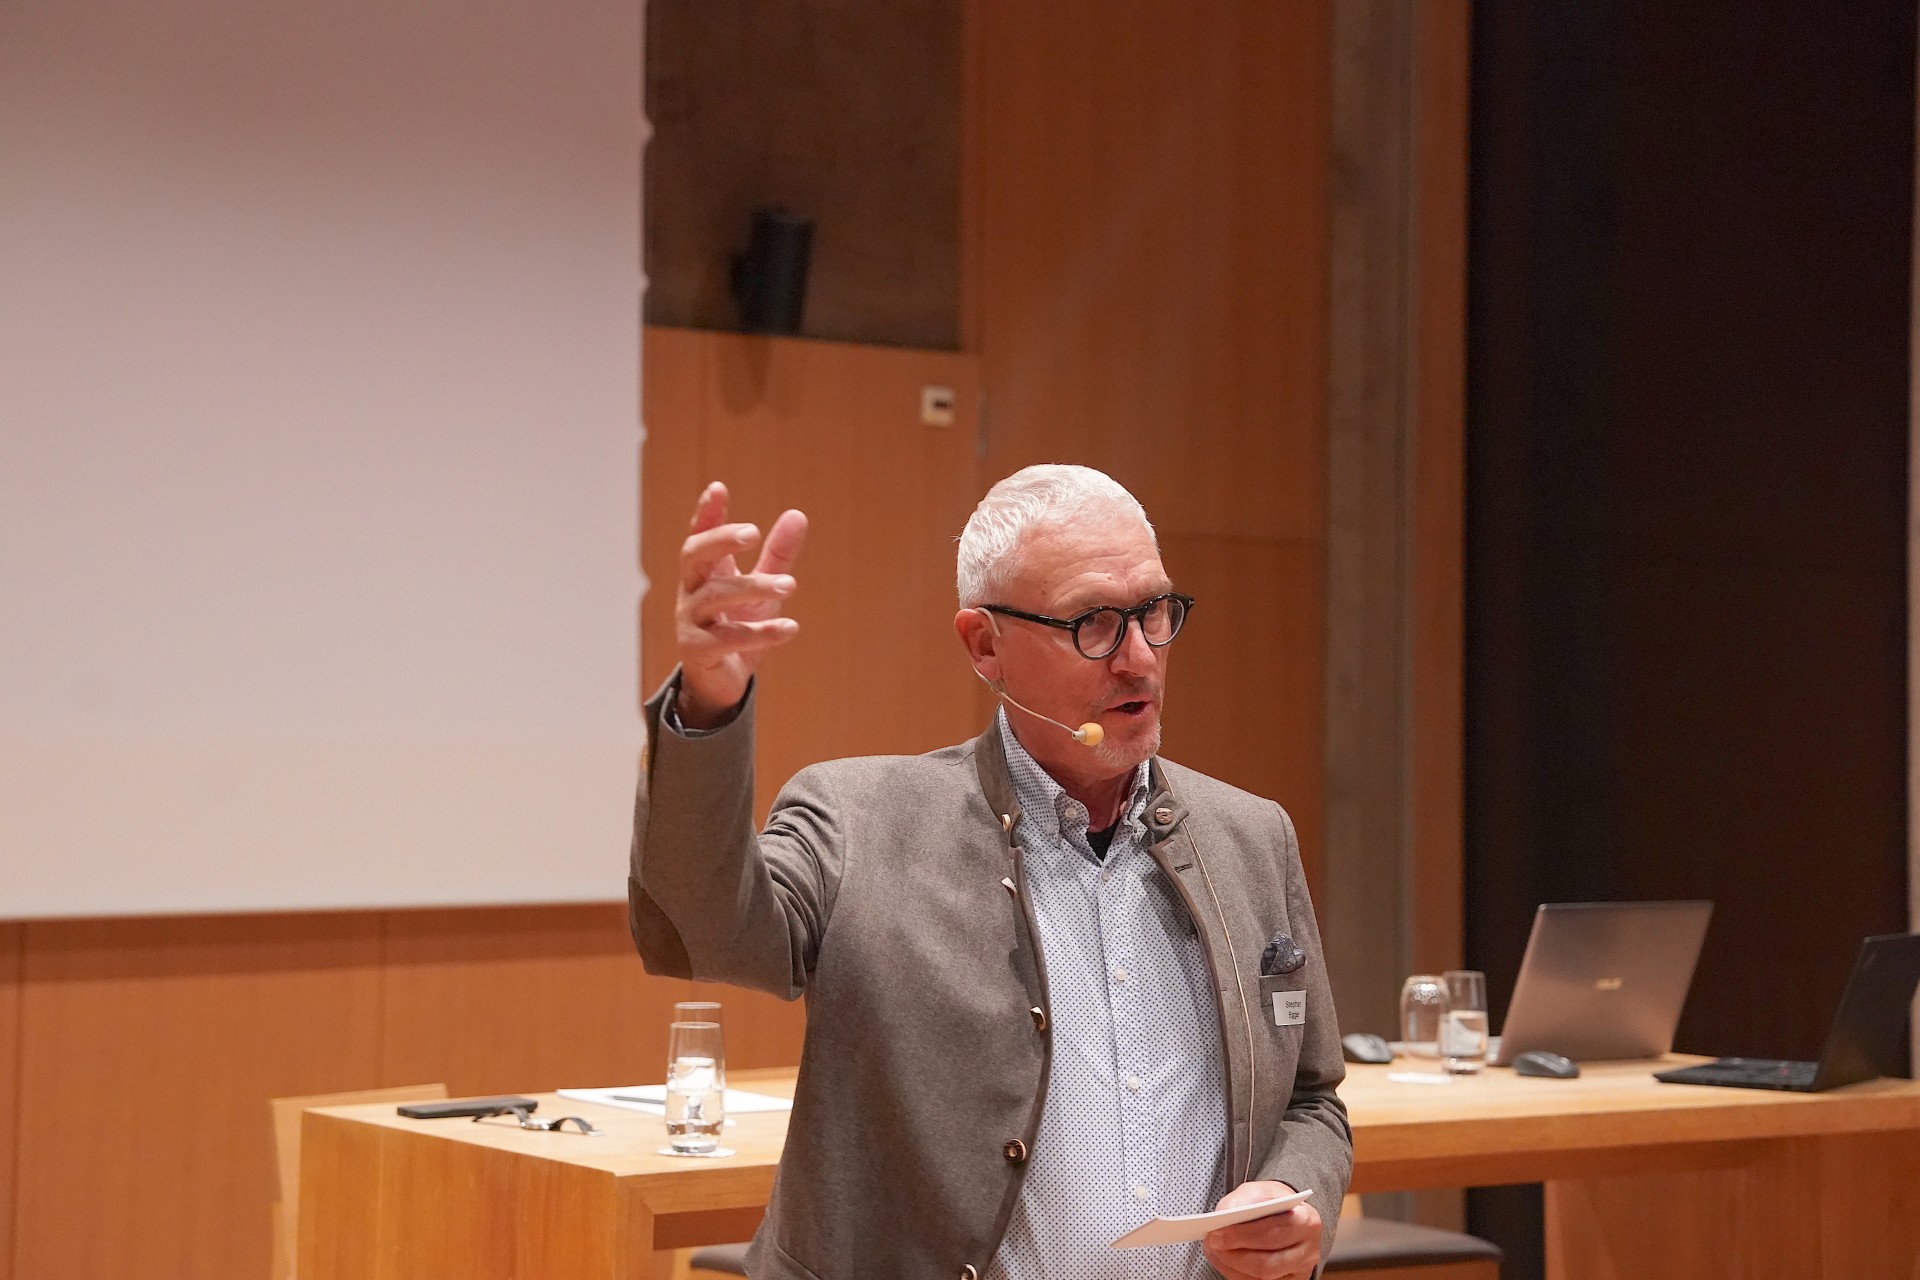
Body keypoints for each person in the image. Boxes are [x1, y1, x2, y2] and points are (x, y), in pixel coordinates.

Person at [630, 465, 1351, 1280]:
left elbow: (1310, 1098)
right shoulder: (861, 821)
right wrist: (708, 704)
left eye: (1154, 612)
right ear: (984, 644)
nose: (1138, 658)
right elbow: (697, 933)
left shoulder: (1251, 836)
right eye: (1093, 623)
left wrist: (1292, 1195)